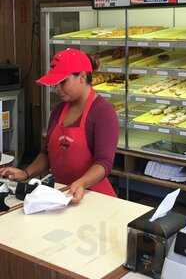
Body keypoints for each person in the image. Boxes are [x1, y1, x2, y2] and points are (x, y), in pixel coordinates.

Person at [0, 48, 119, 203]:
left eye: (63, 82)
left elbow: (104, 163)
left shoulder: (103, 112)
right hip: (62, 194)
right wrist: (26, 173)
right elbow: (46, 154)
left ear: (82, 77)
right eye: (56, 84)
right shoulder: (59, 110)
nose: (58, 89)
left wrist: (82, 182)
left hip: (94, 197)